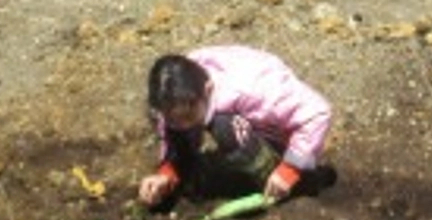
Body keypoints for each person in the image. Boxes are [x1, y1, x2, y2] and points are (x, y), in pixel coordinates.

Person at [139, 45, 332, 208]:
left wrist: (289, 170)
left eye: (188, 117)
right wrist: (167, 172)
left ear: (208, 89)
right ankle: (186, 171)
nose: (182, 126)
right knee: (191, 124)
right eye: (172, 119)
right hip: (245, 116)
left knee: (225, 128)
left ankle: (283, 183)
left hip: (281, 132)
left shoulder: (255, 91)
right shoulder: (179, 87)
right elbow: (173, 125)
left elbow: (317, 112)